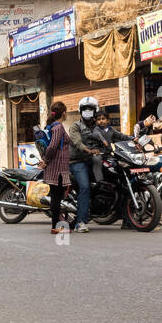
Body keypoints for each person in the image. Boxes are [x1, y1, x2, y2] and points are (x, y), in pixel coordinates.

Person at [40, 110, 76, 233]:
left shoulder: (53, 126)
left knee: (57, 197)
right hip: (57, 169)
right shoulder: (58, 127)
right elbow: (53, 146)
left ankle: (57, 224)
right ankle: (56, 226)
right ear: (64, 113)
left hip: (58, 167)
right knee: (56, 197)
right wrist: (45, 160)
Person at [66, 98, 97, 232]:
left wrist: (132, 140)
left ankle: (127, 219)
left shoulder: (97, 126)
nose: (88, 111)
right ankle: (81, 222)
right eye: (85, 109)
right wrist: (88, 150)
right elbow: (77, 143)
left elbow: (113, 135)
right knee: (84, 187)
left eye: (90, 109)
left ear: (95, 111)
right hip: (77, 162)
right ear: (80, 111)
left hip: (94, 160)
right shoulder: (75, 126)